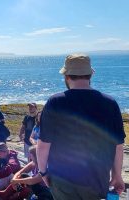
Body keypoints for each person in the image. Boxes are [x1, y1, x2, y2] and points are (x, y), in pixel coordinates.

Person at [37, 54, 126, 199]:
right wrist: (117, 175)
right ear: (90, 75)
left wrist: (43, 172)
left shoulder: (55, 102)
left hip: (62, 179)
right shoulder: (110, 103)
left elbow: (43, 144)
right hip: (97, 179)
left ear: (66, 76)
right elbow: (118, 145)